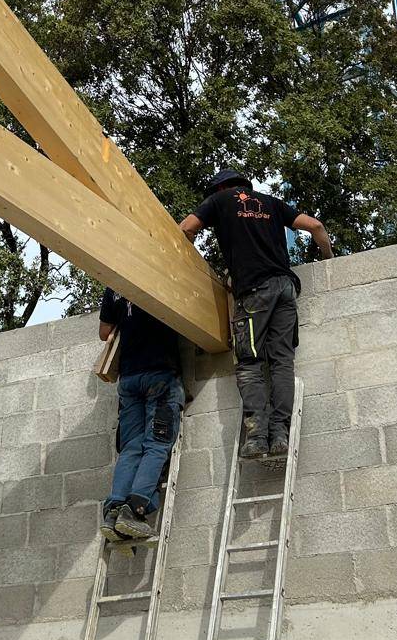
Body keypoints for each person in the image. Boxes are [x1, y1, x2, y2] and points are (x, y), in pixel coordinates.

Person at [180, 167, 332, 461]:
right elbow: (315, 226)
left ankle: (257, 437)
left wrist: (181, 267)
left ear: (220, 188)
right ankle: (280, 435)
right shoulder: (271, 203)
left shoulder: (219, 201)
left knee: (249, 363)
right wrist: (328, 261)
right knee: (281, 363)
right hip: (285, 289)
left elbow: (187, 228)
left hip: (254, 293)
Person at [98, 289, 184, 543]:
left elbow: (105, 333)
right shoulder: (160, 275)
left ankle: (114, 510)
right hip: (159, 375)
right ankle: (136, 510)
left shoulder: (112, 286)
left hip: (129, 380)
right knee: (156, 443)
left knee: (132, 447)